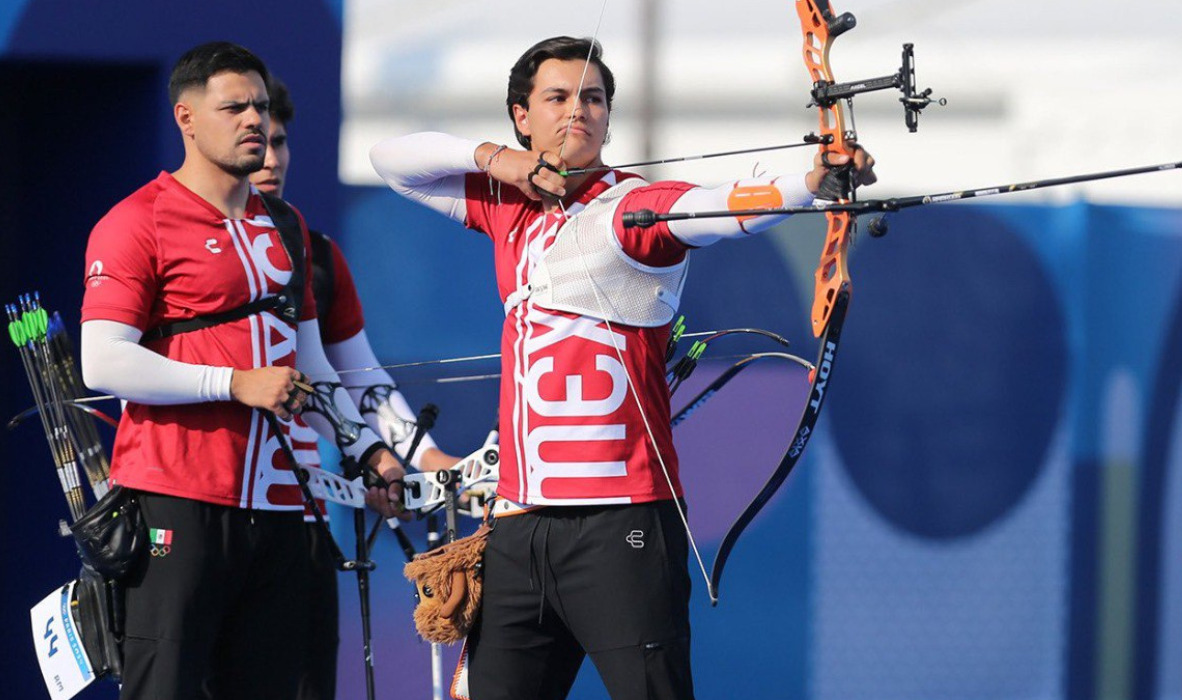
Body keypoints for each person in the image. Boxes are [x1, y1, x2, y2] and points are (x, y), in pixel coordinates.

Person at [369, 35, 875, 700]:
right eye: (558, 97)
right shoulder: (505, 206)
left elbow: (722, 206)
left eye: (593, 98)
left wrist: (812, 184)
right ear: (522, 115)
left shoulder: (636, 209)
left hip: (621, 527)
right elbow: (392, 160)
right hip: (518, 530)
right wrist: (501, 162)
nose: (578, 110)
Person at [79, 41, 406, 700]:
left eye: (259, 105)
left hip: (282, 506)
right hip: (179, 499)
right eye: (234, 107)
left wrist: (368, 446)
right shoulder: (135, 221)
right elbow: (102, 360)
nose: (253, 120)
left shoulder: (286, 224)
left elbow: (310, 362)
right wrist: (232, 383)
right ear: (187, 118)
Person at [249, 75, 462, 700]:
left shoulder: (315, 255)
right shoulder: (181, 242)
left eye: (280, 141)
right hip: (210, 507)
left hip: (304, 509)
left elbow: (358, 378)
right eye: (257, 141)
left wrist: (424, 462)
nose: (270, 158)